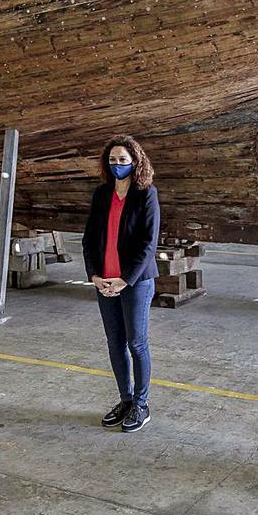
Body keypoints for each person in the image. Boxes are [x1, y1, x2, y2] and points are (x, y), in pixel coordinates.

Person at [82, 134, 160, 433]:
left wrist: (125, 279)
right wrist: (94, 276)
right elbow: (89, 239)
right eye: (112, 160)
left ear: (135, 162)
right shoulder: (102, 195)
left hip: (135, 282)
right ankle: (125, 400)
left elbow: (148, 243)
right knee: (115, 344)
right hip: (104, 283)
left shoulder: (146, 194)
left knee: (136, 343)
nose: (117, 165)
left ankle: (142, 404)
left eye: (123, 160)